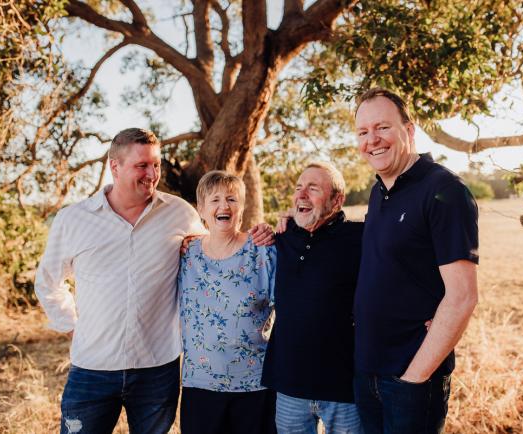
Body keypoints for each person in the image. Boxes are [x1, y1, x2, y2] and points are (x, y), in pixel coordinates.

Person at [34, 128, 272, 434]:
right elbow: (47, 282)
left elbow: (215, 247)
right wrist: (71, 326)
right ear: (114, 167)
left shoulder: (178, 213)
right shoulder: (74, 219)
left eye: (156, 165)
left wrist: (258, 236)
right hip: (92, 369)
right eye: (142, 165)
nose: (152, 173)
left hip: (157, 371)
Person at [352, 88, 479, 434]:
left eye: (382, 128)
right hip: (367, 372)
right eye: (363, 132)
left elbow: (463, 295)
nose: (372, 140)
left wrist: (414, 378)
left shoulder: (445, 191)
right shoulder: (379, 191)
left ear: (409, 131)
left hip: (410, 380)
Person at [262, 162, 363, 434]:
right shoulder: (282, 237)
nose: (302, 194)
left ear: (337, 200)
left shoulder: (361, 238)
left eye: (313, 188)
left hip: (344, 386)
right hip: (290, 384)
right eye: (298, 188)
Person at [178, 170, 277, 434]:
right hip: (200, 385)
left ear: (242, 208)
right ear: (200, 209)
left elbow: (291, 309)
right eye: (215, 200)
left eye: (232, 199)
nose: (224, 206)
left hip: (255, 384)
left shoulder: (263, 250)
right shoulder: (186, 255)